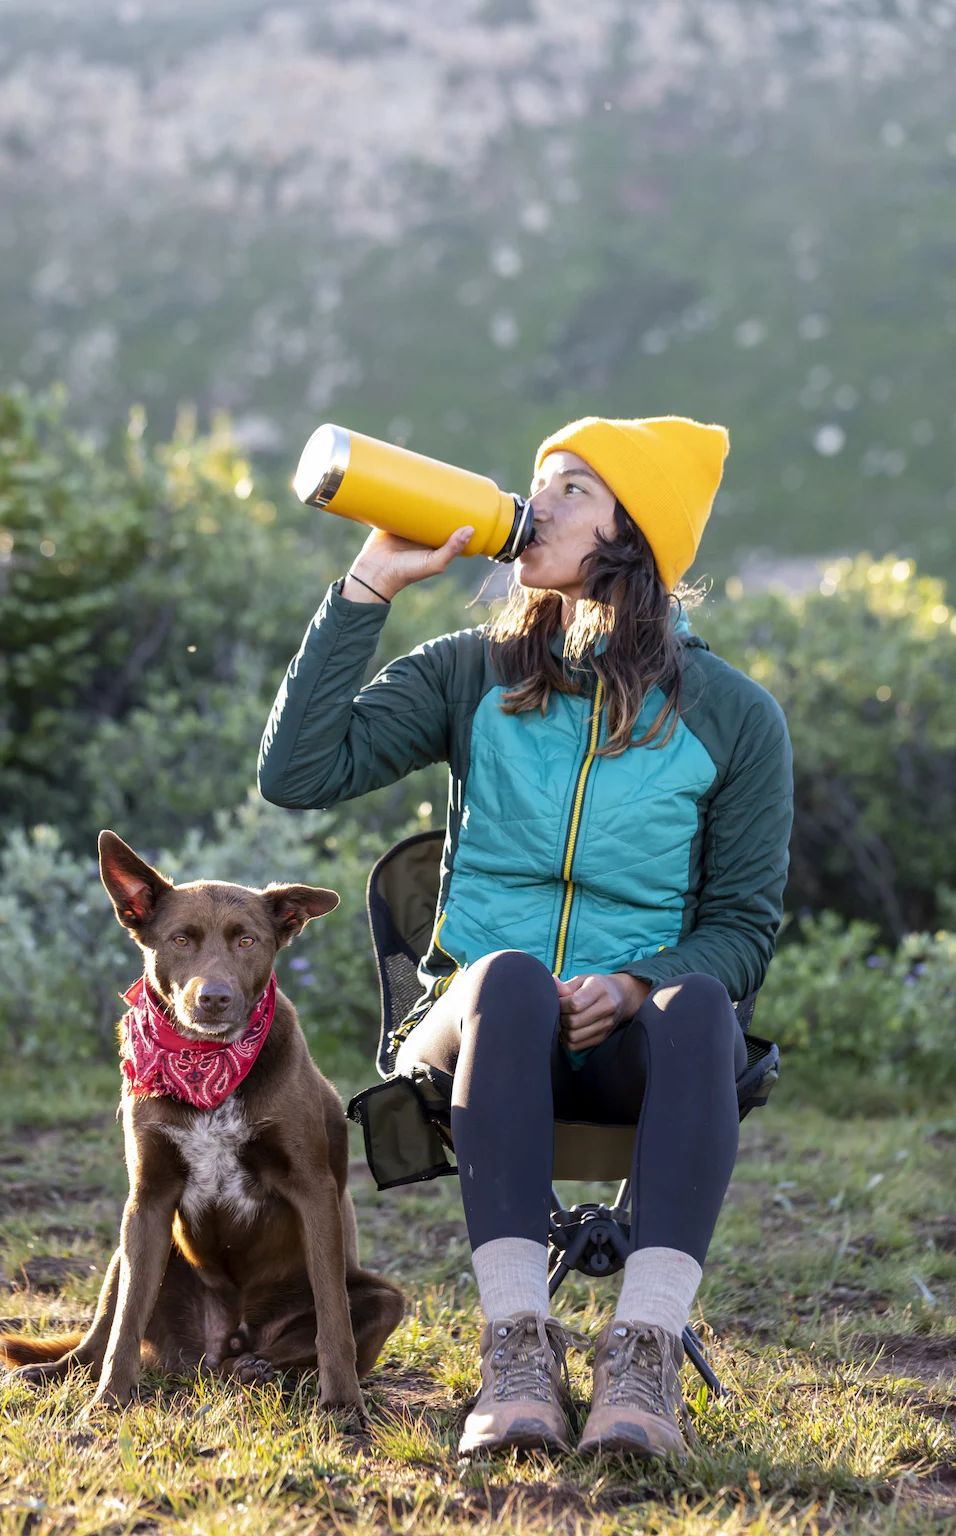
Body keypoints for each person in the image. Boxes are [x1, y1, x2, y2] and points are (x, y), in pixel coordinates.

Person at [258, 415, 793, 1461]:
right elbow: (297, 774)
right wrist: (368, 587)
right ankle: (517, 1352)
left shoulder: (734, 716)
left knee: (697, 1004)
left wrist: (639, 983)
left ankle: (641, 1356)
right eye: (539, 480)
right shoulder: (474, 670)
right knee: (506, 976)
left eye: (576, 488)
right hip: (477, 1036)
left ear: (634, 535)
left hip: (639, 1054)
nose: (537, 501)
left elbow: (739, 930)